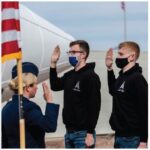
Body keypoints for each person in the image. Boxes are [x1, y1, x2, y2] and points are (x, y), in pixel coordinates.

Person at [50, 40, 101, 148]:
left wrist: (90, 133)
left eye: (73, 52)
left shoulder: (91, 76)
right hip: (69, 133)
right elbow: (55, 86)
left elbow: (94, 106)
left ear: (83, 54)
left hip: (83, 134)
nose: (70, 55)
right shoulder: (70, 75)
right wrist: (53, 64)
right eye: (69, 52)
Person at [2, 62, 59, 148]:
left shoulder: (6, 108)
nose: (37, 87)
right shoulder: (29, 107)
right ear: (28, 87)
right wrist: (49, 101)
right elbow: (50, 126)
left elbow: (4, 140)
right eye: (35, 84)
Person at [105, 41, 148, 148]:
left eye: (121, 54)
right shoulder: (122, 76)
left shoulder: (137, 79)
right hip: (119, 135)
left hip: (132, 138)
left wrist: (143, 141)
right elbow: (113, 91)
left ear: (132, 56)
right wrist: (109, 69)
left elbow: (145, 110)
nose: (117, 58)